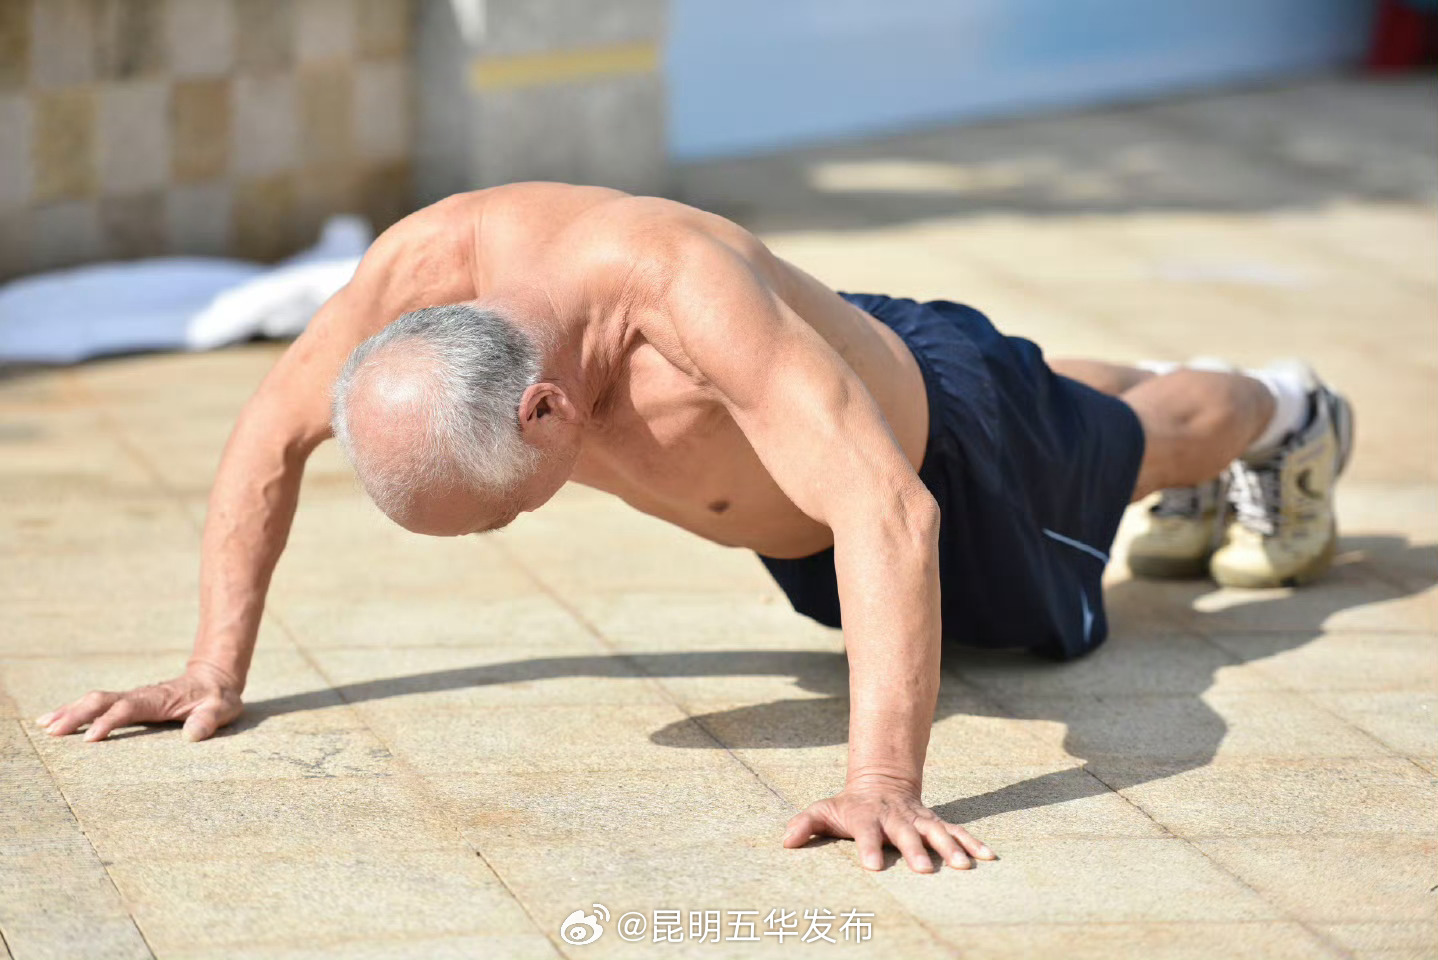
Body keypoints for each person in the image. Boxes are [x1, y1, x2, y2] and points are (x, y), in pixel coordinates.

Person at [35, 183, 1352, 874]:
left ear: (549, 407)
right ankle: (1060, 386)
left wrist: (879, 784)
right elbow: (268, 435)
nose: (506, 535)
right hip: (852, 385)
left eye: (498, 516)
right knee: (1046, 393)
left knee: (1140, 448)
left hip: (956, 449)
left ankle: (1288, 414)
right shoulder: (424, 269)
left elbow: (891, 512)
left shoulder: (677, 298)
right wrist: (214, 668)